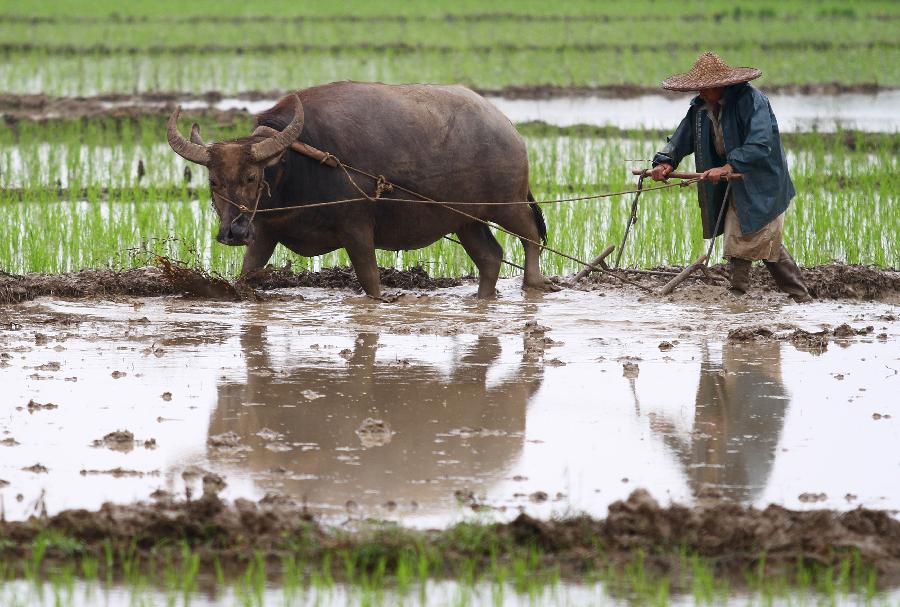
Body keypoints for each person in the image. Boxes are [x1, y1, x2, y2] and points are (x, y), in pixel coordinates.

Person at [649, 52, 812, 302]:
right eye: (699, 88)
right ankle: (789, 295)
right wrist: (664, 162)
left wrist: (729, 165)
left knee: (752, 234)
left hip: (760, 180)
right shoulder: (700, 108)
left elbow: (760, 143)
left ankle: (744, 294)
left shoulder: (751, 101)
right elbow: (681, 138)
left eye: (706, 87)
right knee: (754, 236)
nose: (701, 92)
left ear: (722, 85)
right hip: (731, 182)